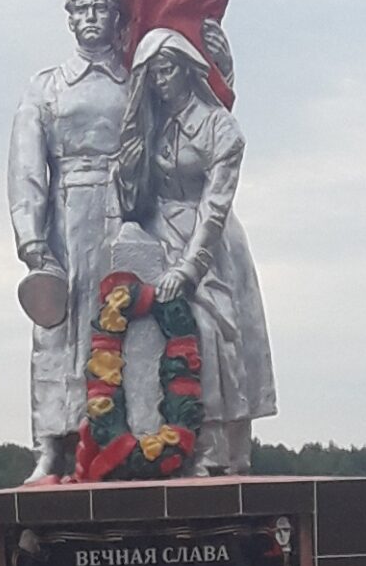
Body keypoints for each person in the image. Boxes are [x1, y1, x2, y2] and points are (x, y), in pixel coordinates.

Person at [110, 27, 276, 475]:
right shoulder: (152, 125)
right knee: (152, 331)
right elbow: (132, 196)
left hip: (209, 243)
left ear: (186, 70)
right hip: (157, 234)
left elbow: (215, 205)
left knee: (209, 328)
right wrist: (129, 157)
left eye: (167, 70)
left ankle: (216, 446)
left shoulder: (220, 128)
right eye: (153, 74)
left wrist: (189, 268)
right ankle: (160, 440)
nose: (161, 81)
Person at [7, 0, 132, 482]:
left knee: (121, 324)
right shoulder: (47, 86)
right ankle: (53, 443)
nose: (92, 18)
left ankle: (123, 436)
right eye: (83, 10)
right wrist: (32, 238)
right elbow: (26, 166)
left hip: (124, 215)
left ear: (116, 18)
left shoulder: (133, 82)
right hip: (66, 219)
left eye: (101, 9)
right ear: (71, 19)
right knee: (57, 331)